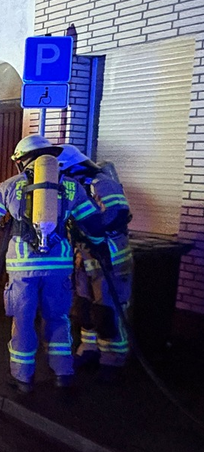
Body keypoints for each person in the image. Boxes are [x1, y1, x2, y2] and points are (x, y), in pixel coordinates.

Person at [0, 135, 100, 393]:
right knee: (58, 319)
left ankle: (23, 378)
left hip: (23, 268)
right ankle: (63, 374)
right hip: (59, 267)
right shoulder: (72, 186)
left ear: (22, 160)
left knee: (23, 320)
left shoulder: (10, 185)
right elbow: (93, 224)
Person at [57, 144, 132, 382]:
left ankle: (112, 360)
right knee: (84, 308)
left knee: (107, 310)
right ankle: (88, 350)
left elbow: (118, 213)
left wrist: (91, 231)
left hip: (108, 258)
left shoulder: (102, 183)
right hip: (86, 258)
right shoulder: (78, 187)